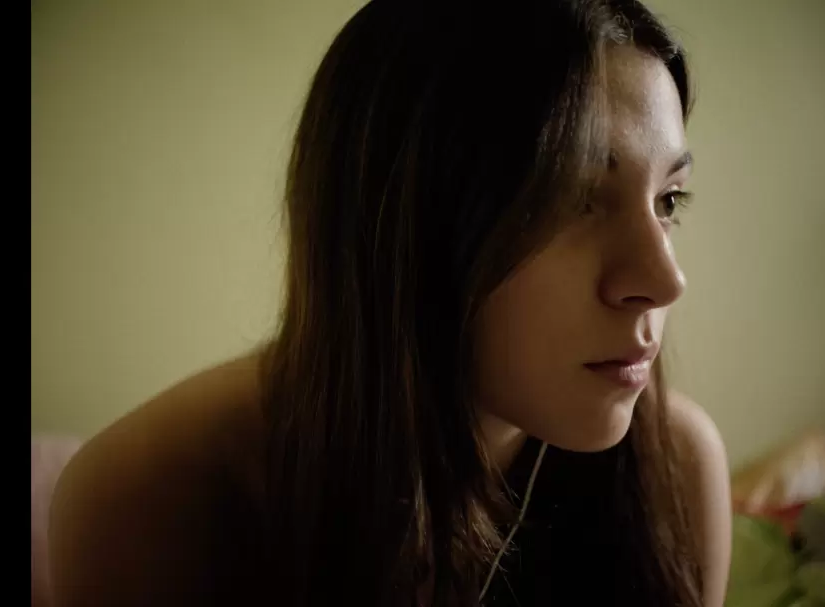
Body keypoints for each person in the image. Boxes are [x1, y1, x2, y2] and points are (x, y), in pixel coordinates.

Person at [48, 0, 732, 605]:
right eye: (572, 198)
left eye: (668, 200)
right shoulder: (150, 501)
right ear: (409, 219)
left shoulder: (674, 473)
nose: (665, 280)